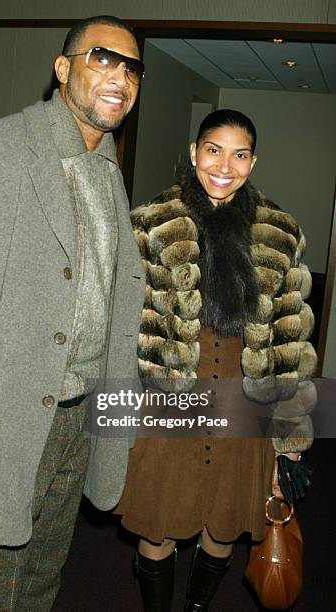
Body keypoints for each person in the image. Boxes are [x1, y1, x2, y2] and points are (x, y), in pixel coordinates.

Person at [0, 15, 145, 611]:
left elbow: (114, 314)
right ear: (62, 68)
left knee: (39, 583)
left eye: (132, 68)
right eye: (103, 58)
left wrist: (114, 428)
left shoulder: (107, 174)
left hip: (75, 424)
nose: (120, 77)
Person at [114, 109, 316, 611]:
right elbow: (120, 328)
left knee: (224, 525)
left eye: (240, 153)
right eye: (213, 149)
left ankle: (197, 608)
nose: (225, 165)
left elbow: (288, 347)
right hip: (167, 401)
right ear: (193, 153)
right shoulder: (151, 223)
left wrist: (289, 440)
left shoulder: (281, 232)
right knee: (158, 521)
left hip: (244, 402)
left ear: (253, 161)